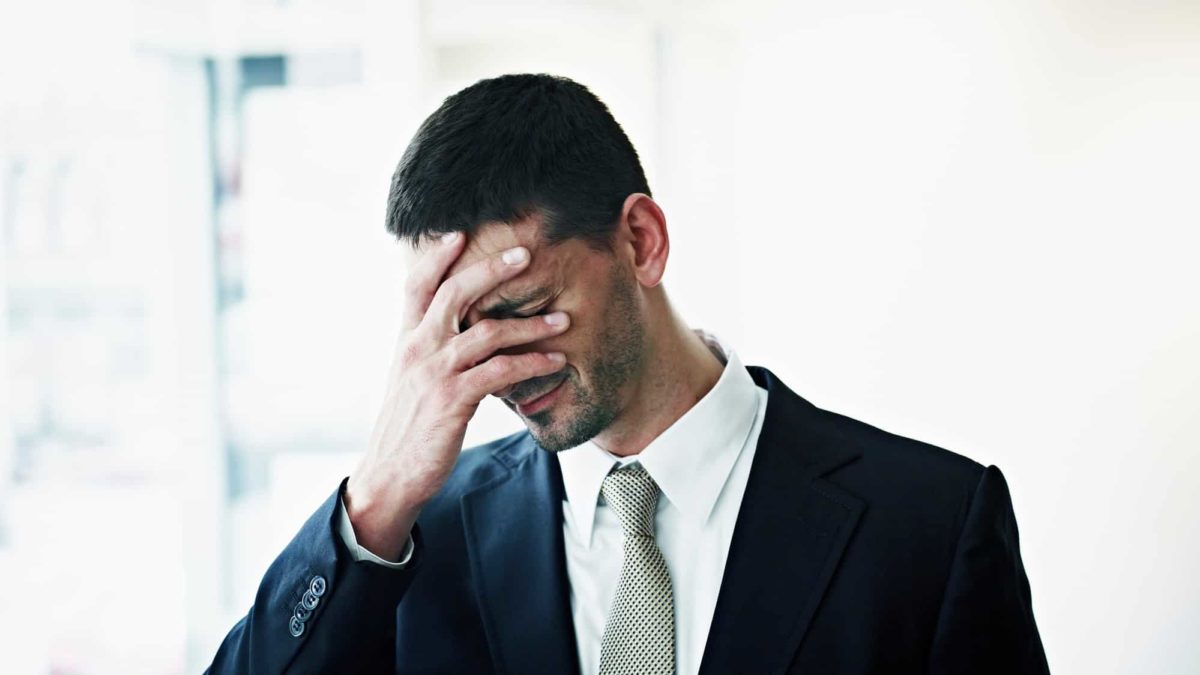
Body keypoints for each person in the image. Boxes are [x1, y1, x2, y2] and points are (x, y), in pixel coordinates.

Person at [207, 73, 1049, 674]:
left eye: (525, 308)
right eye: (466, 332)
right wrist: (377, 496)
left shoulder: (929, 525)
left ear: (641, 242)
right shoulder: (412, 538)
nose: (501, 368)